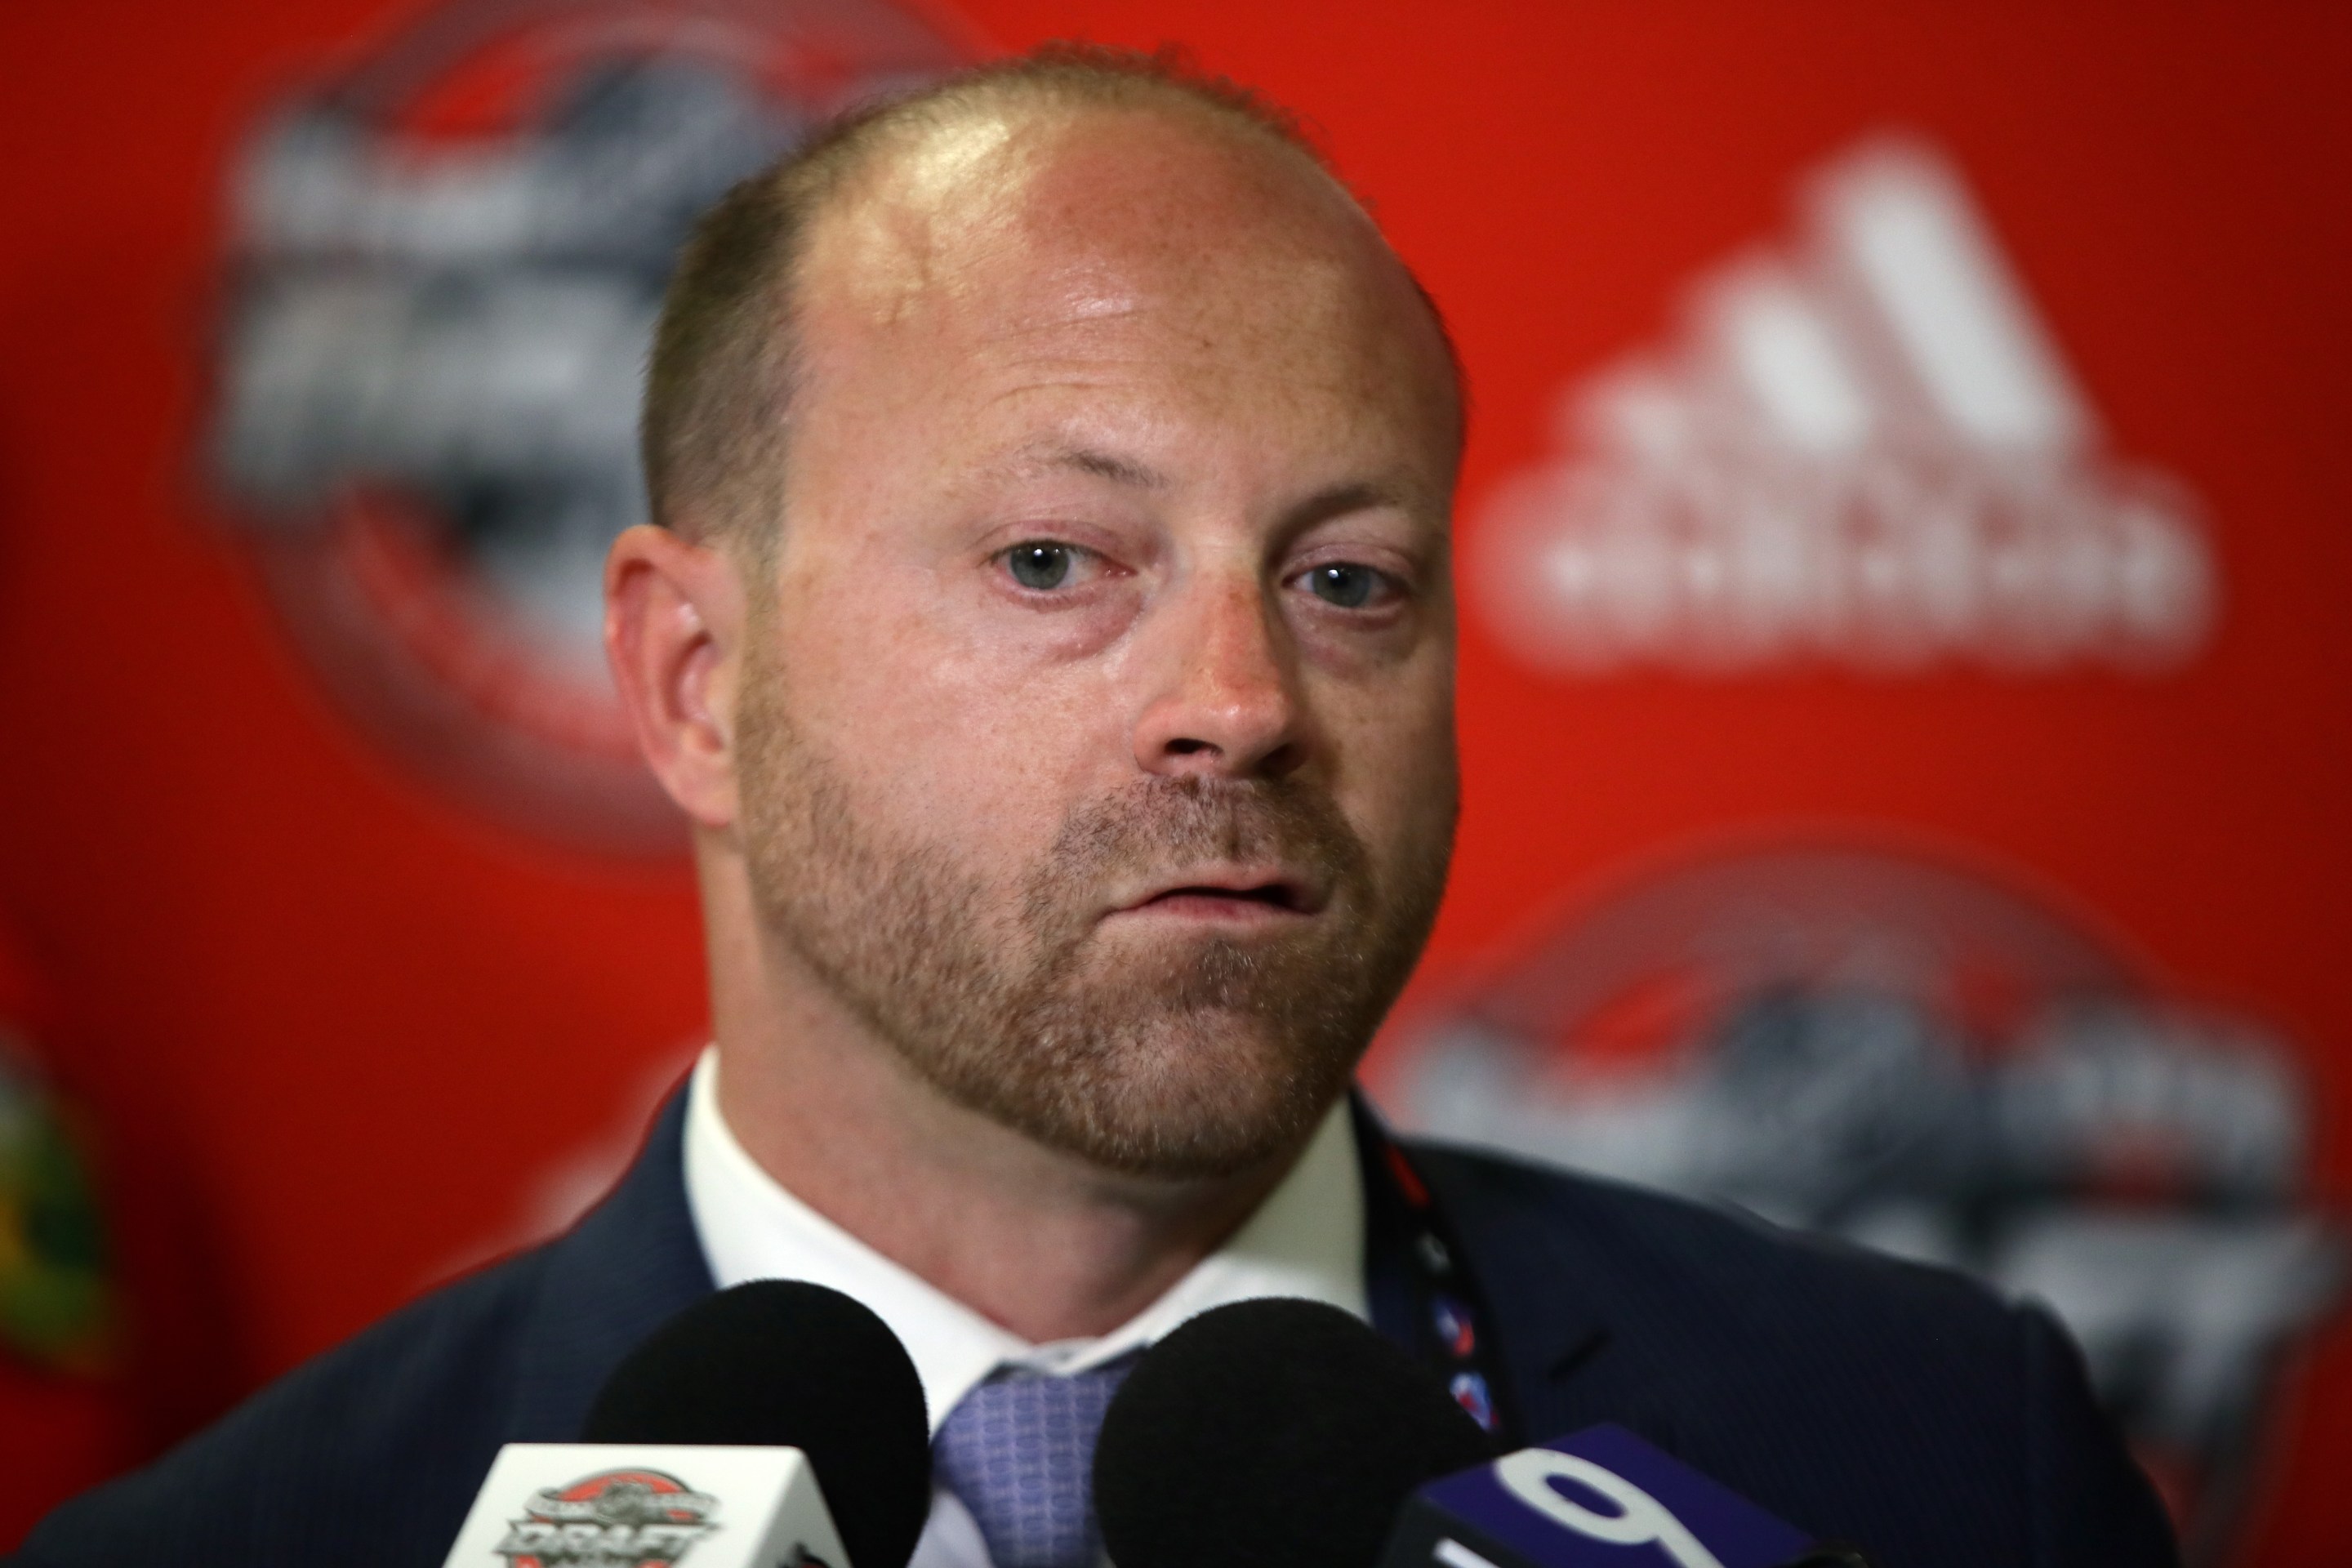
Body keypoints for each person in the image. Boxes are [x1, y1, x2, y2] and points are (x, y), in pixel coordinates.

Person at [17, 45, 2176, 1568]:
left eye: (1346, 580)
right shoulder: (260, 1542)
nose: (1239, 704)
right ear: (694, 680)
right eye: (1058, 562)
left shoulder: (1928, 1459)